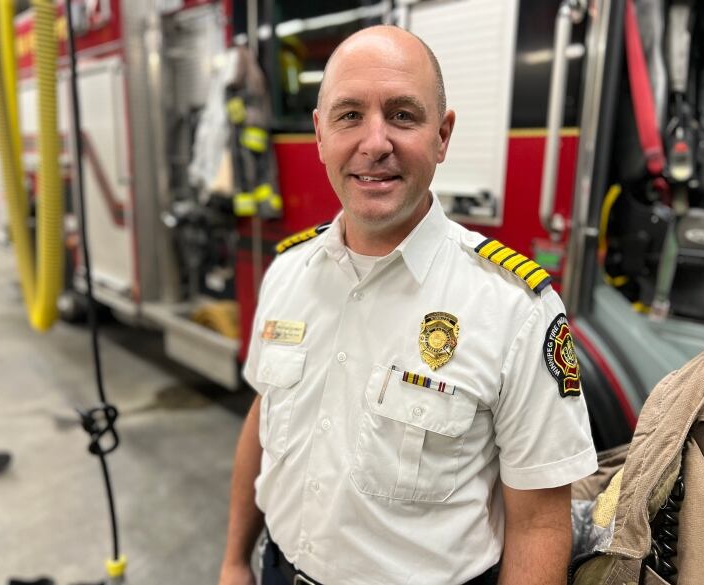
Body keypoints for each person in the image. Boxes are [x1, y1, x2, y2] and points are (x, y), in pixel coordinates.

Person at [219, 25, 597, 585]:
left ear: (442, 136)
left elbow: (540, 524)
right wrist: (233, 562)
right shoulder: (287, 273)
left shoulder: (514, 309)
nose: (375, 143)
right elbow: (263, 419)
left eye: (402, 115)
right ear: (320, 135)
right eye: (350, 116)